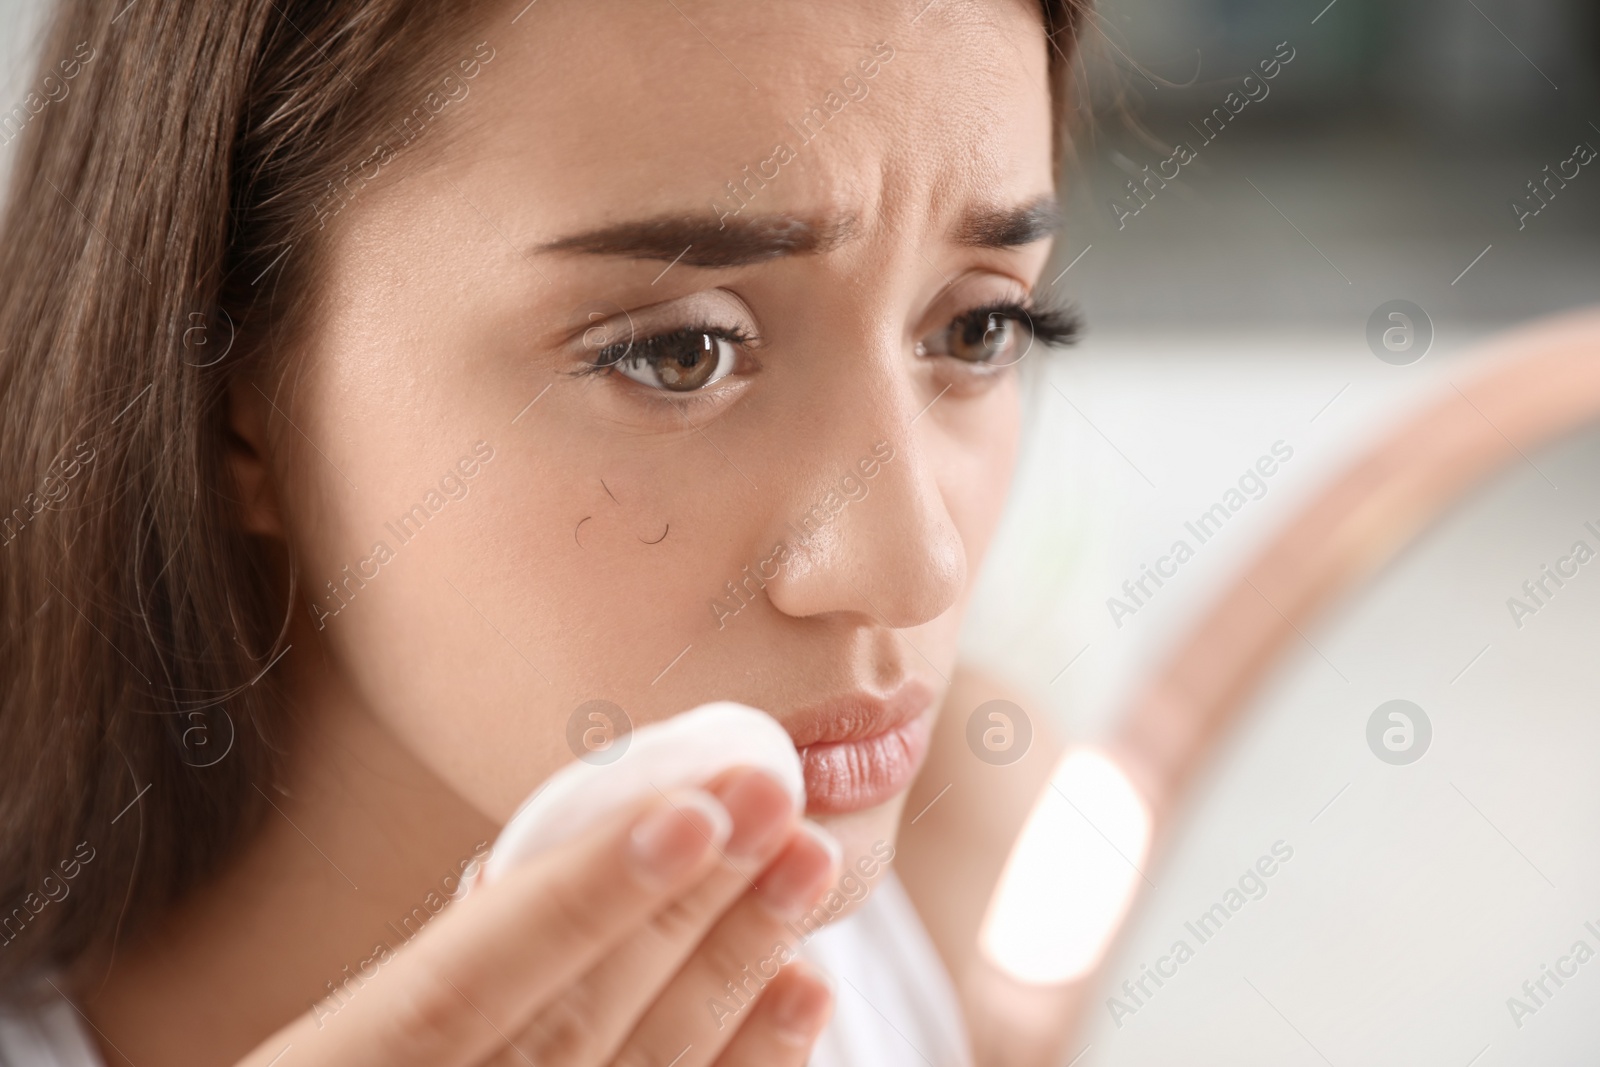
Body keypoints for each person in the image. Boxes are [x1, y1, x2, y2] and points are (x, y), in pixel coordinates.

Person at [0, 0, 1089, 1063]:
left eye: (977, 325)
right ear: (230, 402)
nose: (916, 570)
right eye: (680, 353)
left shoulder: (970, 836)